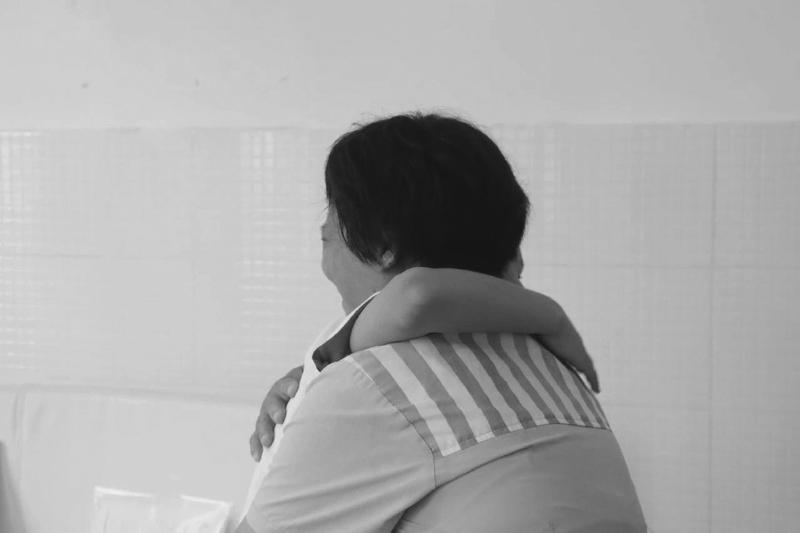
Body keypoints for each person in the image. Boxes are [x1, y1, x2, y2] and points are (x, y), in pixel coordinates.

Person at [236, 112, 647, 532]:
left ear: (381, 245)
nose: (327, 265)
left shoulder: (377, 383)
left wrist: (325, 395)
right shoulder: (556, 374)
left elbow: (416, 299)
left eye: (327, 238)